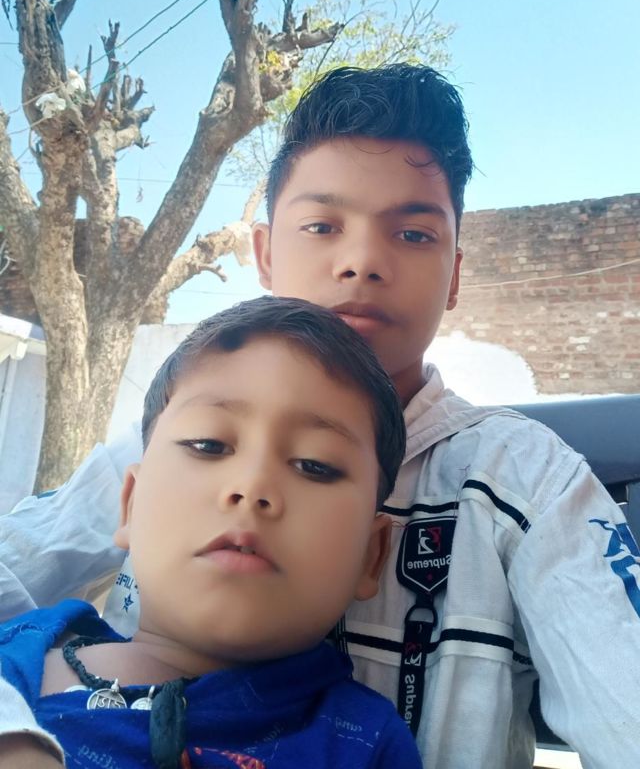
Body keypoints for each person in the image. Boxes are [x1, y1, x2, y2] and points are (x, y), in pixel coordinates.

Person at [1, 63, 639, 768]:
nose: (361, 262)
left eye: (413, 234)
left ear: (455, 274)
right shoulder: (167, 442)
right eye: (322, 225)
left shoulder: (526, 480)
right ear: (266, 255)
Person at [0, 295, 421, 768]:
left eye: (314, 465)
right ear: (130, 506)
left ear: (370, 555)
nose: (252, 486)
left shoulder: (367, 744)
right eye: (208, 444)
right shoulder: (16, 652)